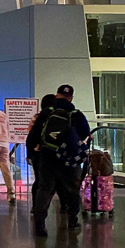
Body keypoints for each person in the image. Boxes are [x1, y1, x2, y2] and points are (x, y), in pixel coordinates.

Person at [28, 84, 91, 237]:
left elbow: (34, 135)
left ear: (57, 96)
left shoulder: (47, 112)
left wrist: (31, 153)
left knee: (45, 188)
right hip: (68, 159)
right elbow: (85, 134)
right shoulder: (76, 114)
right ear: (71, 98)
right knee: (71, 189)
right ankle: (72, 220)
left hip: (47, 156)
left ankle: (40, 224)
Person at [26, 93, 56, 214]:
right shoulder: (53, 118)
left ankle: (36, 206)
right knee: (51, 181)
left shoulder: (37, 117)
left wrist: (29, 153)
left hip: (37, 153)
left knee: (39, 180)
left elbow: (30, 137)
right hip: (51, 153)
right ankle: (59, 206)